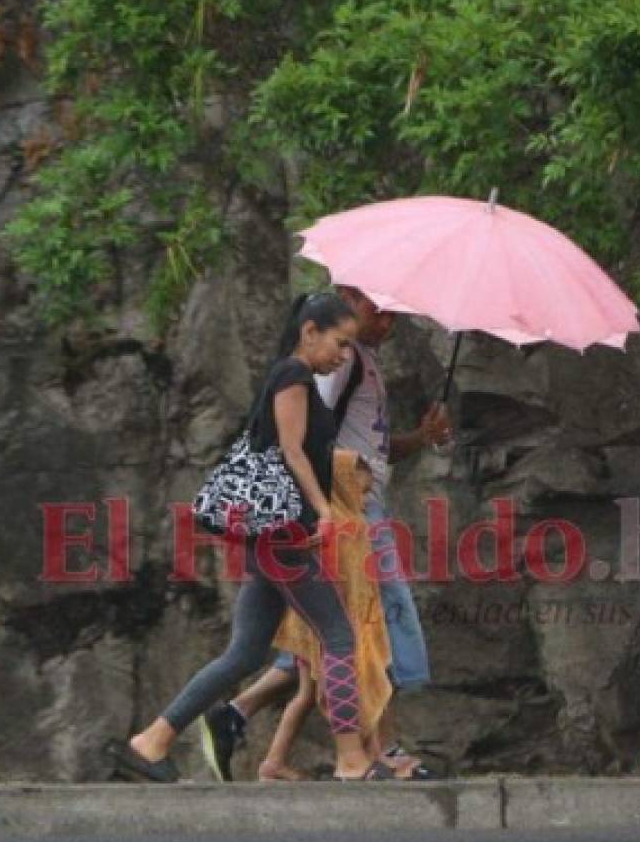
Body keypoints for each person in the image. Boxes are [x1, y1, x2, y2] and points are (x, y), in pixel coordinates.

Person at [106, 291, 397, 782]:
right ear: (310, 332)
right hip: (283, 534)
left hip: (272, 536)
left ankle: (151, 742)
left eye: (349, 348)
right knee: (340, 638)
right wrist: (323, 512)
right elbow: (290, 451)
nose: (344, 355)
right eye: (340, 343)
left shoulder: (295, 378)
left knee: (244, 652)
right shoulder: (293, 375)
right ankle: (352, 759)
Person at [198, 285, 451, 782]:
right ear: (350, 301)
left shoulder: (362, 362)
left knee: (322, 639)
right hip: (347, 510)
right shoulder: (335, 364)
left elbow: (366, 450)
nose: (387, 322)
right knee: (372, 624)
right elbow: (312, 443)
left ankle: (236, 717)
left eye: (395, 313)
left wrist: (420, 439)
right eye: (378, 309)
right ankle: (374, 751)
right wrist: (326, 509)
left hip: (359, 503)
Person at [256, 450, 394, 780]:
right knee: (360, 683)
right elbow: (351, 585)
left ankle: (273, 763)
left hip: (308, 625)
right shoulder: (346, 529)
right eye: (360, 482)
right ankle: (360, 757)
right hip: (334, 630)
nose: (366, 490)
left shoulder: (326, 524)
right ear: (342, 483)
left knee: (304, 696)